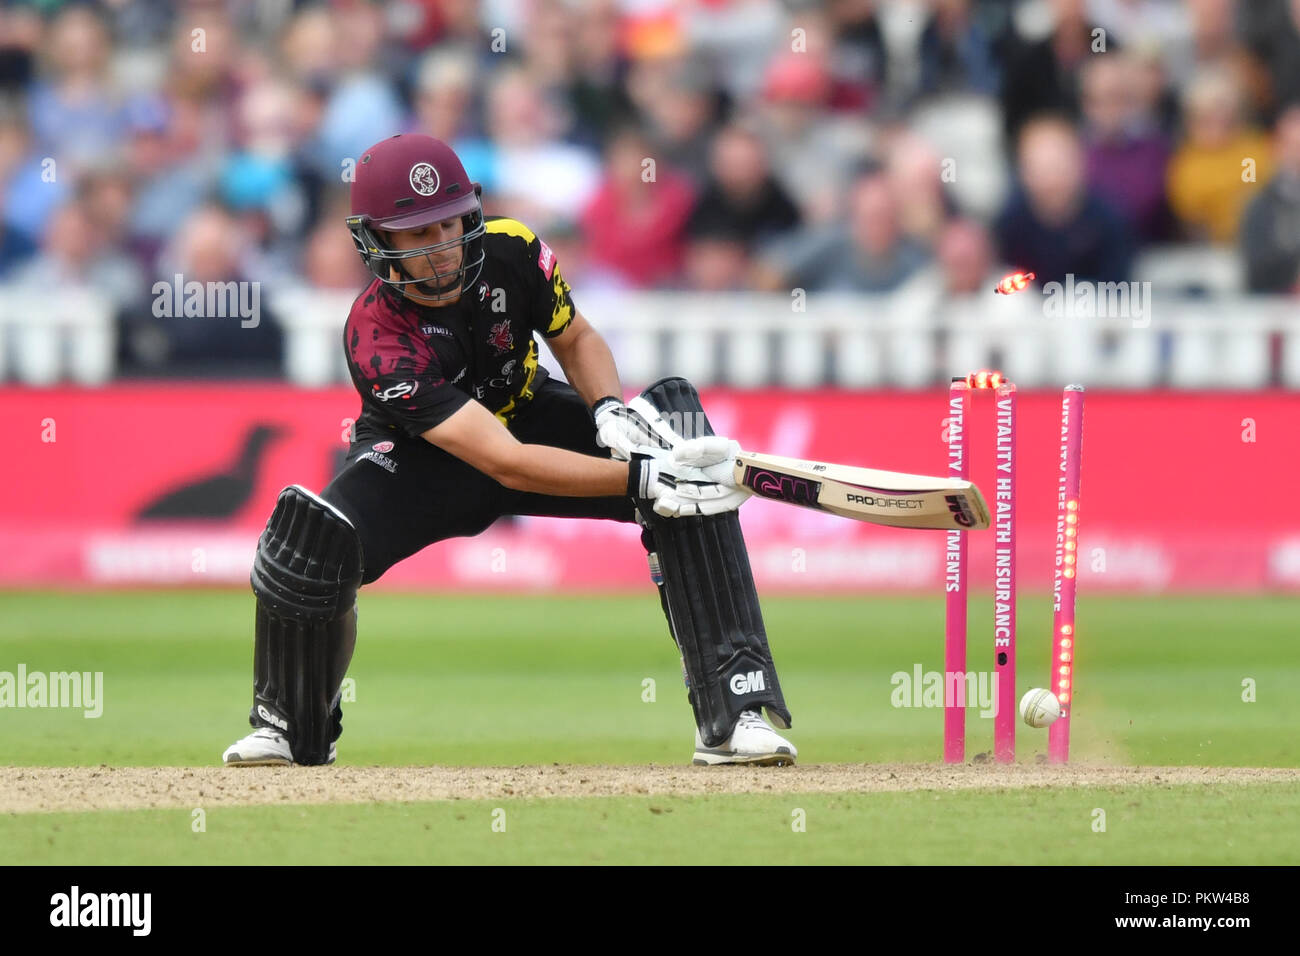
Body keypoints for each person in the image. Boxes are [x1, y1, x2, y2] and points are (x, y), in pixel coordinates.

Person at [221, 133, 797, 768]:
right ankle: (287, 725)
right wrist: (641, 478)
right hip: (424, 459)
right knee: (308, 544)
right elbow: (503, 463)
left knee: (684, 447)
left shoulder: (514, 247)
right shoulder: (374, 332)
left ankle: (734, 714)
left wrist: (609, 411)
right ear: (376, 243)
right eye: (414, 236)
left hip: (526, 409)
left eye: (447, 225)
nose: (439, 251)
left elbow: (575, 337)